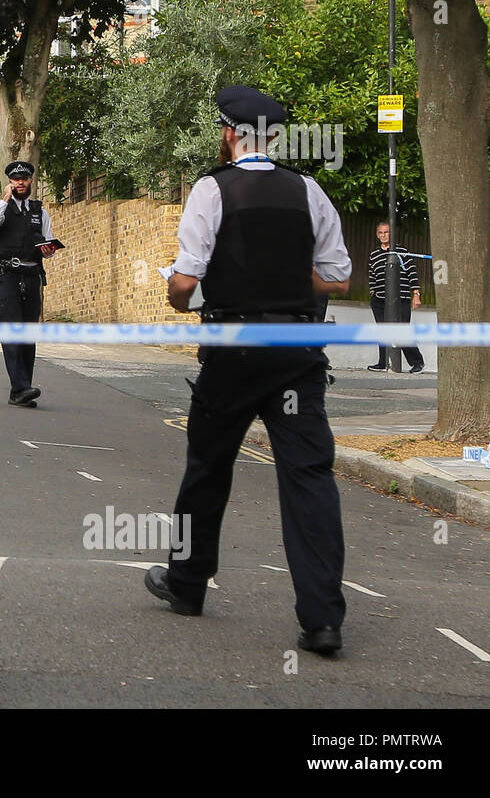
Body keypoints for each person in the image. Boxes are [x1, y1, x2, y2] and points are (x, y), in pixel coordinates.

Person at [146, 84, 353, 656]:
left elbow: (184, 287)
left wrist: (181, 286)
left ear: (230, 134)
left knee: (209, 468)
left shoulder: (211, 190)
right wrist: (284, 274)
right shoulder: (308, 190)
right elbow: (337, 278)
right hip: (296, 350)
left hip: (233, 348)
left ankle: (187, 586)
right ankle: (322, 619)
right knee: (309, 477)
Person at [0, 161, 59, 408]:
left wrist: (48, 251)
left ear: (31, 182)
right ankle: (19, 388)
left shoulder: (39, 212)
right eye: (15, 180)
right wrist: (5, 198)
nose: (20, 183)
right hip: (8, 276)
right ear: (10, 182)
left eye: (24, 179)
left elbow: (46, 245)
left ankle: (24, 387)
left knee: (28, 333)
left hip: (32, 276)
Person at [366, 221, 424, 373]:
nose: (384, 235)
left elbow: (412, 273)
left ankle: (417, 362)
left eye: (386, 232)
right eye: (381, 233)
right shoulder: (374, 254)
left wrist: (416, 294)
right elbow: (371, 274)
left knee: (402, 329)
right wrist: (372, 290)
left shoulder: (401, 251)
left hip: (401, 297)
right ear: (377, 235)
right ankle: (383, 362)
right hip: (379, 299)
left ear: (391, 234)